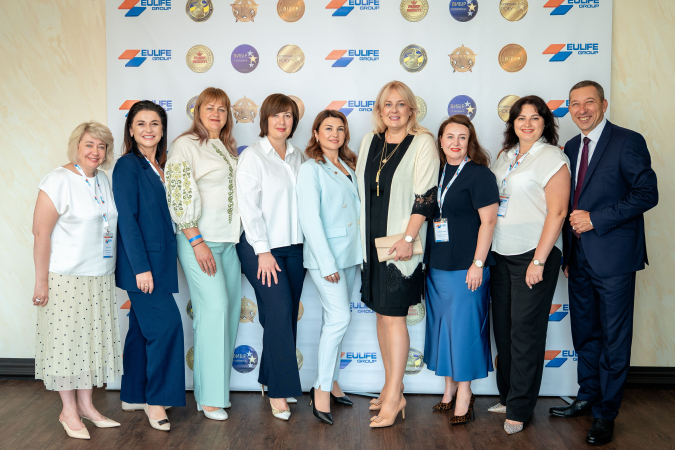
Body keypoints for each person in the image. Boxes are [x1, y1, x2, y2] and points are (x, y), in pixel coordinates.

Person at [549, 81, 658, 446]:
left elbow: (647, 193)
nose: (582, 110)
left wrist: (596, 219)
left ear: (604, 104)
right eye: (574, 104)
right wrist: (568, 253)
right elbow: (569, 204)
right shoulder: (570, 147)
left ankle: (605, 414)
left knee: (614, 338)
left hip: (614, 259)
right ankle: (587, 396)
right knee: (585, 333)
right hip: (578, 259)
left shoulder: (627, 141)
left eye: (589, 102)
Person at [355, 80, 439, 428]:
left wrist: (408, 238)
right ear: (379, 110)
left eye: (400, 104)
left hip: (401, 246)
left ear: (411, 110)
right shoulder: (369, 141)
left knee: (394, 318)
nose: (393, 110)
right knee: (381, 316)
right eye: (387, 104)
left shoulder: (423, 142)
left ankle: (393, 397)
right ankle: (394, 387)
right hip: (370, 244)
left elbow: (426, 196)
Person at [32, 121, 122, 440]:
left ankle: (87, 406)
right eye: (89, 145)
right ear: (77, 147)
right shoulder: (58, 180)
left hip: (99, 275)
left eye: (101, 146)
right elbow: (40, 233)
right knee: (66, 346)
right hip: (65, 277)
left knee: (88, 345)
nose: (95, 152)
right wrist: (41, 281)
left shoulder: (102, 180)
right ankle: (68, 411)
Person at [488, 95, 571, 435]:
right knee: (504, 329)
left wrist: (539, 259)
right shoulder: (506, 156)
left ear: (545, 123)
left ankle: (520, 408)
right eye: (521, 118)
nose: (527, 123)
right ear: (512, 123)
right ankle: (508, 396)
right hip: (500, 253)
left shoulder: (552, 157)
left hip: (533, 255)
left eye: (535, 118)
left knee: (525, 331)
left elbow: (558, 212)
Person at [165, 87, 241, 421]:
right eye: (209, 108)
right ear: (197, 112)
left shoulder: (226, 146)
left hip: (229, 242)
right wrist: (196, 241)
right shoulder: (186, 145)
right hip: (200, 240)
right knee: (214, 311)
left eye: (222, 109)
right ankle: (210, 399)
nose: (216, 114)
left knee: (229, 314)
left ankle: (214, 392)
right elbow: (179, 193)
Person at [113, 101, 185, 431]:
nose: (148, 129)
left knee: (141, 331)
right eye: (140, 123)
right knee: (167, 327)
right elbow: (127, 219)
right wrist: (141, 268)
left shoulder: (161, 165)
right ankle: (156, 401)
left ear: (162, 129)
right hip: (142, 266)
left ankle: (133, 394)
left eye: (154, 123)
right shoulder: (127, 165)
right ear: (130, 129)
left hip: (162, 262)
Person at [423, 115, 499, 425]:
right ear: (440, 141)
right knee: (443, 330)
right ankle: (449, 390)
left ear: (470, 142)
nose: (455, 143)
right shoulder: (435, 172)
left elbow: (489, 222)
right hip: (437, 267)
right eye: (450, 137)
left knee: (465, 332)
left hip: (468, 269)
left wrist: (478, 264)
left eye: (462, 137)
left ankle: (465, 395)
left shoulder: (480, 175)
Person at [236, 93, 305, 421]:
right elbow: (248, 208)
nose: (282, 121)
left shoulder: (296, 156)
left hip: (294, 246)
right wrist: (263, 250)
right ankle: (279, 391)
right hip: (260, 248)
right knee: (278, 312)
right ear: (265, 120)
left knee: (285, 315)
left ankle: (268, 377)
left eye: (288, 116)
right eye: (276, 115)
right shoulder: (253, 156)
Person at [297, 110, 361, 425]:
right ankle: (320, 389)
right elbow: (310, 219)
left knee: (334, 321)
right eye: (328, 128)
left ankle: (333, 381)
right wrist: (326, 262)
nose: (334, 134)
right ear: (316, 133)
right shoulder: (311, 168)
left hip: (350, 255)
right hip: (328, 258)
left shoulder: (349, 166)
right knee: (339, 319)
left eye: (340, 129)